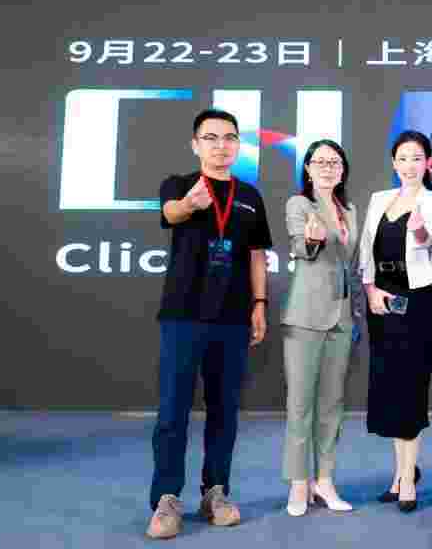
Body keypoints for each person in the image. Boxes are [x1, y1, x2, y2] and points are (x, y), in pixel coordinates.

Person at [146, 108, 272, 540]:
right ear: (195, 144)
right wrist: (189, 205)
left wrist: (259, 304)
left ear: (238, 145)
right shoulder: (179, 184)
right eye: (211, 137)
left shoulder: (249, 196)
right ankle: (166, 499)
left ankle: (215, 491)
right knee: (172, 411)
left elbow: (256, 254)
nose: (221, 146)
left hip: (232, 319)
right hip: (183, 315)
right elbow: (170, 212)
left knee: (224, 411)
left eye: (230, 138)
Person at [358, 130, 432, 513]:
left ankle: (408, 478)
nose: (410, 165)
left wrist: (418, 228)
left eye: (417, 158)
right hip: (382, 302)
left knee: (411, 387)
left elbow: (427, 242)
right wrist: (370, 291)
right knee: (391, 387)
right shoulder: (379, 199)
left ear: (427, 163)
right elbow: (366, 251)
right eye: (403, 158)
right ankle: (400, 473)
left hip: (415, 302)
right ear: (393, 163)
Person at [281, 139, 361, 516]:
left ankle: (324, 481)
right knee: (300, 404)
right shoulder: (299, 204)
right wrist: (311, 241)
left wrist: (356, 311)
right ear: (308, 170)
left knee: (332, 405)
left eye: (334, 162)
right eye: (320, 162)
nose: (328, 167)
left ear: (342, 170)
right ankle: (299, 483)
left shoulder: (350, 210)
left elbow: (351, 263)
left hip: (341, 317)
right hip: (305, 316)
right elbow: (301, 246)